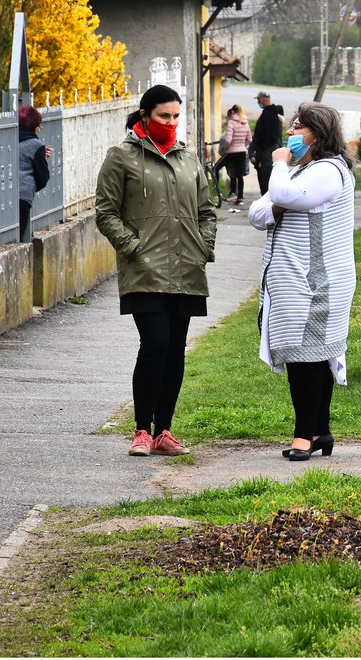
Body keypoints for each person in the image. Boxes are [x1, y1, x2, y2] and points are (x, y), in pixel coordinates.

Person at [94, 85, 217, 458]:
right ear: (145, 115)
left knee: (176, 350)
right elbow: (105, 212)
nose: (171, 122)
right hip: (144, 270)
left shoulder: (188, 159)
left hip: (186, 270)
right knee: (155, 344)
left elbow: (207, 211)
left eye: (176, 116)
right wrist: (133, 248)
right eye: (165, 116)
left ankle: (164, 430)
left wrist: (203, 247)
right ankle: (141, 430)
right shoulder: (122, 157)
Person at [248, 101, 356, 462]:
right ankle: (320, 430)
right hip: (295, 280)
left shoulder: (327, 170)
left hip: (316, 282)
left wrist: (278, 165)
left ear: (318, 134)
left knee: (306, 359)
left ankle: (303, 436)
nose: (291, 133)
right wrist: (280, 201)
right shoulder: (300, 172)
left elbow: (281, 195)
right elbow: (257, 213)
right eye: (292, 126)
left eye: (299, 127)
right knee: (313, 355)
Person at [17, 105, 51, 243]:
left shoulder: (5, 139)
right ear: (35, 126)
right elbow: (43, 177)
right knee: (18, 240)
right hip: (22, 198)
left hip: (1, 198)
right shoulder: (36, 144)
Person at [248, 91, 286, 196]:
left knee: (265, 181)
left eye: (258, 99)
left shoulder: (268, 114)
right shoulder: (275, 112)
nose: (258, 102)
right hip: (272, 151)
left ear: (264, 99)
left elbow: (263, 137)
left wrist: (256, 153)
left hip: (267, 154)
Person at [217, 103, 251, 204]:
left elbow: (228, 140)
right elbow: (249, 139)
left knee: (216, 168)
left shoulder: (231, 122)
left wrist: (227, 149)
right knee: (239, 175)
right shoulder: (245, 122)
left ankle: (217, 191)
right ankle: (239, 197)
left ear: (232, 112)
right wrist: (243, 146)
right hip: (242, 151)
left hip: (231, 152)